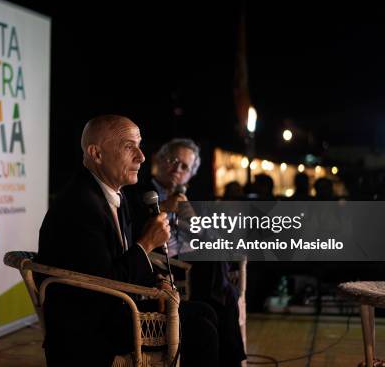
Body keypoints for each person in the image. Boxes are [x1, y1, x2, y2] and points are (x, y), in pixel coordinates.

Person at [37, 116, 218, 366]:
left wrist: (158, 281)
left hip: (114, 309)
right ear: (96, 153)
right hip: (89, 328)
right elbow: (104, 284)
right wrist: (146, 245)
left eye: (140, 145)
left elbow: (119, 262)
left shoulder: (111, 192)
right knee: (201, 328)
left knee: (205, 312)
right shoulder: (79, 205)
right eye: (129, 146)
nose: (141, 156)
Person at [127, 138, 247, 366]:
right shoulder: (138, 191)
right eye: (173, 160)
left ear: (191, 174)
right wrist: (163, 207)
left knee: (225, 285)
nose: (177, 169)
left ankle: (227, 357)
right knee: (223, 287)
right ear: (160, 160)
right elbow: (130, 227)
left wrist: (194, 222)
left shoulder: (190, 199)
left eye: (185, 167)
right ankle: (232, 360)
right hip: (162, 265)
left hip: (194, 267)